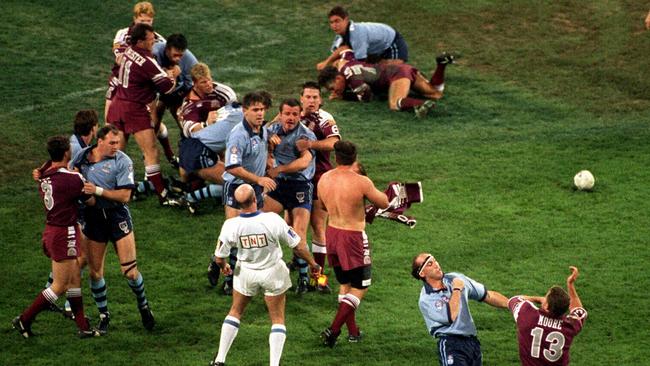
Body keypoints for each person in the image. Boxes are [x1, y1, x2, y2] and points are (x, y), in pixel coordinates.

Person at [209, 184, 320, 366]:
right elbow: (298, 246)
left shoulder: (231, 225)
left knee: (235, 312)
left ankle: (220, 359)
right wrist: (313, 264)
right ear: (255, 199)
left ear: (238, 204)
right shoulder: (272, 220)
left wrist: (224, 267)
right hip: (273, 273)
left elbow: (219, 256)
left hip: (246, 273)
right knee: (277, 319)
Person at [71, 125, 155, 335]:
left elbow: (125, 196)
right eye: (112, 143)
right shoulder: (81, 157)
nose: (116, 147)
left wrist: (96, 190)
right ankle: (104, 316)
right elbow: (68, 174)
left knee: (130, 271)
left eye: (118, 143)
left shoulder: (122, 161)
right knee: (95, 271)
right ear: (99, 141)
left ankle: (143, 304)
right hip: (93, 218)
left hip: (117, 216)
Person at [13, 136, 98, 339]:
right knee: (59, 285)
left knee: (75, 277)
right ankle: (24, 319)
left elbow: (44, 169)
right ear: (67, 152)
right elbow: (91, 201)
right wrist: (87, 184)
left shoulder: (44, 174)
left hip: (53, 229)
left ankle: (82, 325)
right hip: (64, 232)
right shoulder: (71, 179)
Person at [317, 140, 389, 346]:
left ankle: (354, 332)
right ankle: (333, 330)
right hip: (353, 237)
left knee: (345, 283)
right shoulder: (361, 182)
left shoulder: (324, 178)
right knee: (360, 286)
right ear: (354, 158)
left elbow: (322, 206)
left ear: (335, 158)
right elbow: (384, 202)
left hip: (331, 233)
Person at [106, 22, 181, 206]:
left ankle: (116, 189)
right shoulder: (147, 61)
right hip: (134, 108)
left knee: (118, 152)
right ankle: (163, 195)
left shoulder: (126, 50)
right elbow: (167, 87)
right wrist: (174, 74)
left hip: (118, 103)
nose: (154, 41)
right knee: (151, 151)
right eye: (150, 39)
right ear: (140, 41)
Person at [213, 91, 276, 295]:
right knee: (233, 234)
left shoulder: (261, 130)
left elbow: (263, 147)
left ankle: (224, 266)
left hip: (254, 188)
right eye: (255, 109)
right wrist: (259, 178)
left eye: (262, 109)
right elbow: (231, 167)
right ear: (244, 110)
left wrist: (268, 159)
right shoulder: (238, 135)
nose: (260, 113)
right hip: (236, 187)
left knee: (247, 233)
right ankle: (227, 277)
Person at [411, 253, 509, 366]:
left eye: (435, 260)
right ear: (422, 273)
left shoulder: (454, 278)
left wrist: (512, 305)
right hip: (451, 345)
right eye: (430, 264)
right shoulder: (427, 299)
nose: (436, 265)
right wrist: (457, 289)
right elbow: (451, 315)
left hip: (472, 343)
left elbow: (487, 295)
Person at [290, 81, 341, 293]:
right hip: (295, 177)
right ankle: (299, 260)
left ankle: (317, 277)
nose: (311, 101)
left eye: (315, 97)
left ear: (320, 100)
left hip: (320, 178)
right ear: (301, 98)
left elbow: (334, 143)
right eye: (308, 97)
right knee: (292, 224)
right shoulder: (292, 115)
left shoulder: (325, 118)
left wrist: (310, 145)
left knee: (318, 226)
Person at [264, 98, 317, 294]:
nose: (291, 118)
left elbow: (304, 162)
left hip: (299, 186)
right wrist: (268, 145)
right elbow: (260, 139)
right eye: (287, 113)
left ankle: (305, 277)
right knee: (255, 218)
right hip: (279, 186)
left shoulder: (305, 135)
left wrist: (280, 169)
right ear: (281, 114)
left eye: (295, 114)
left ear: (300, 115)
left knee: (298, 235)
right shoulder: (272, 129)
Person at [176, 62, 240, 214]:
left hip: (209, 145)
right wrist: (206, 124)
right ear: (195, 83)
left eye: (209, 79)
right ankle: (190, 195)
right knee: (236, 183)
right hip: (197, 148)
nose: (209, 84)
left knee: (235, 179)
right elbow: (188, 131)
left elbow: (234, 110)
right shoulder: (189, 105)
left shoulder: (223, 92)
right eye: (204, 82)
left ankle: (188, 187)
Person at [318, 50, 457, 118]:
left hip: (396, 75)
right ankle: (441, 64)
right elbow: (347, 51)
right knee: (436, 93)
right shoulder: (346, 63)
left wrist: (343, 96)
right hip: (404, 69)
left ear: (337, 79)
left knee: (395, 104)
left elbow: (366, 97)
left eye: (333, 88)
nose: (334, 91)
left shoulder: (352, 78)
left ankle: (420, 103)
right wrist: (335, 62)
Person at [508, 266, 587, 365]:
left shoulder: (527, 315)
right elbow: (578, 310)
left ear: (546, 306)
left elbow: (515, 299)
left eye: (545, 297)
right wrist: (570, 284)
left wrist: (538, 299)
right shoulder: (570, 325)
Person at [105, 1, 165, 121]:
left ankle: (162, 135)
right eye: (142, 21)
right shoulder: (123, 34)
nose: (145, 24)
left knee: (150, 122)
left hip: (144, 86)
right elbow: (120, 57)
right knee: (110, 120)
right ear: (135, 19)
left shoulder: (160, 41)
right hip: (120, 81)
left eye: (148, 21)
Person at [316, 5, 408, 70]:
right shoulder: (340, 37)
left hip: (392, 43)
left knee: (390, 71)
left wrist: (338, 64)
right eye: (331, 22)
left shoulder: (357, 34)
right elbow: (341, 50)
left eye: (337, 21)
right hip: (377, 49)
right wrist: (326, 63)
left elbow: (360, 63)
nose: (334, 25)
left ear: (346, 20)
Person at [152, 33, 198, 126]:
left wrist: (174, 79)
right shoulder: (153, 53)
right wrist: (165, 75)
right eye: (175, 55)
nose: (178, 59)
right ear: (167, 49)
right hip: (153, 88)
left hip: (178, 91)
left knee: (182, 119)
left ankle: (185, 138)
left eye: (180, 55)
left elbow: (190, 87)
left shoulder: (190, 61)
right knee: (153, 120)